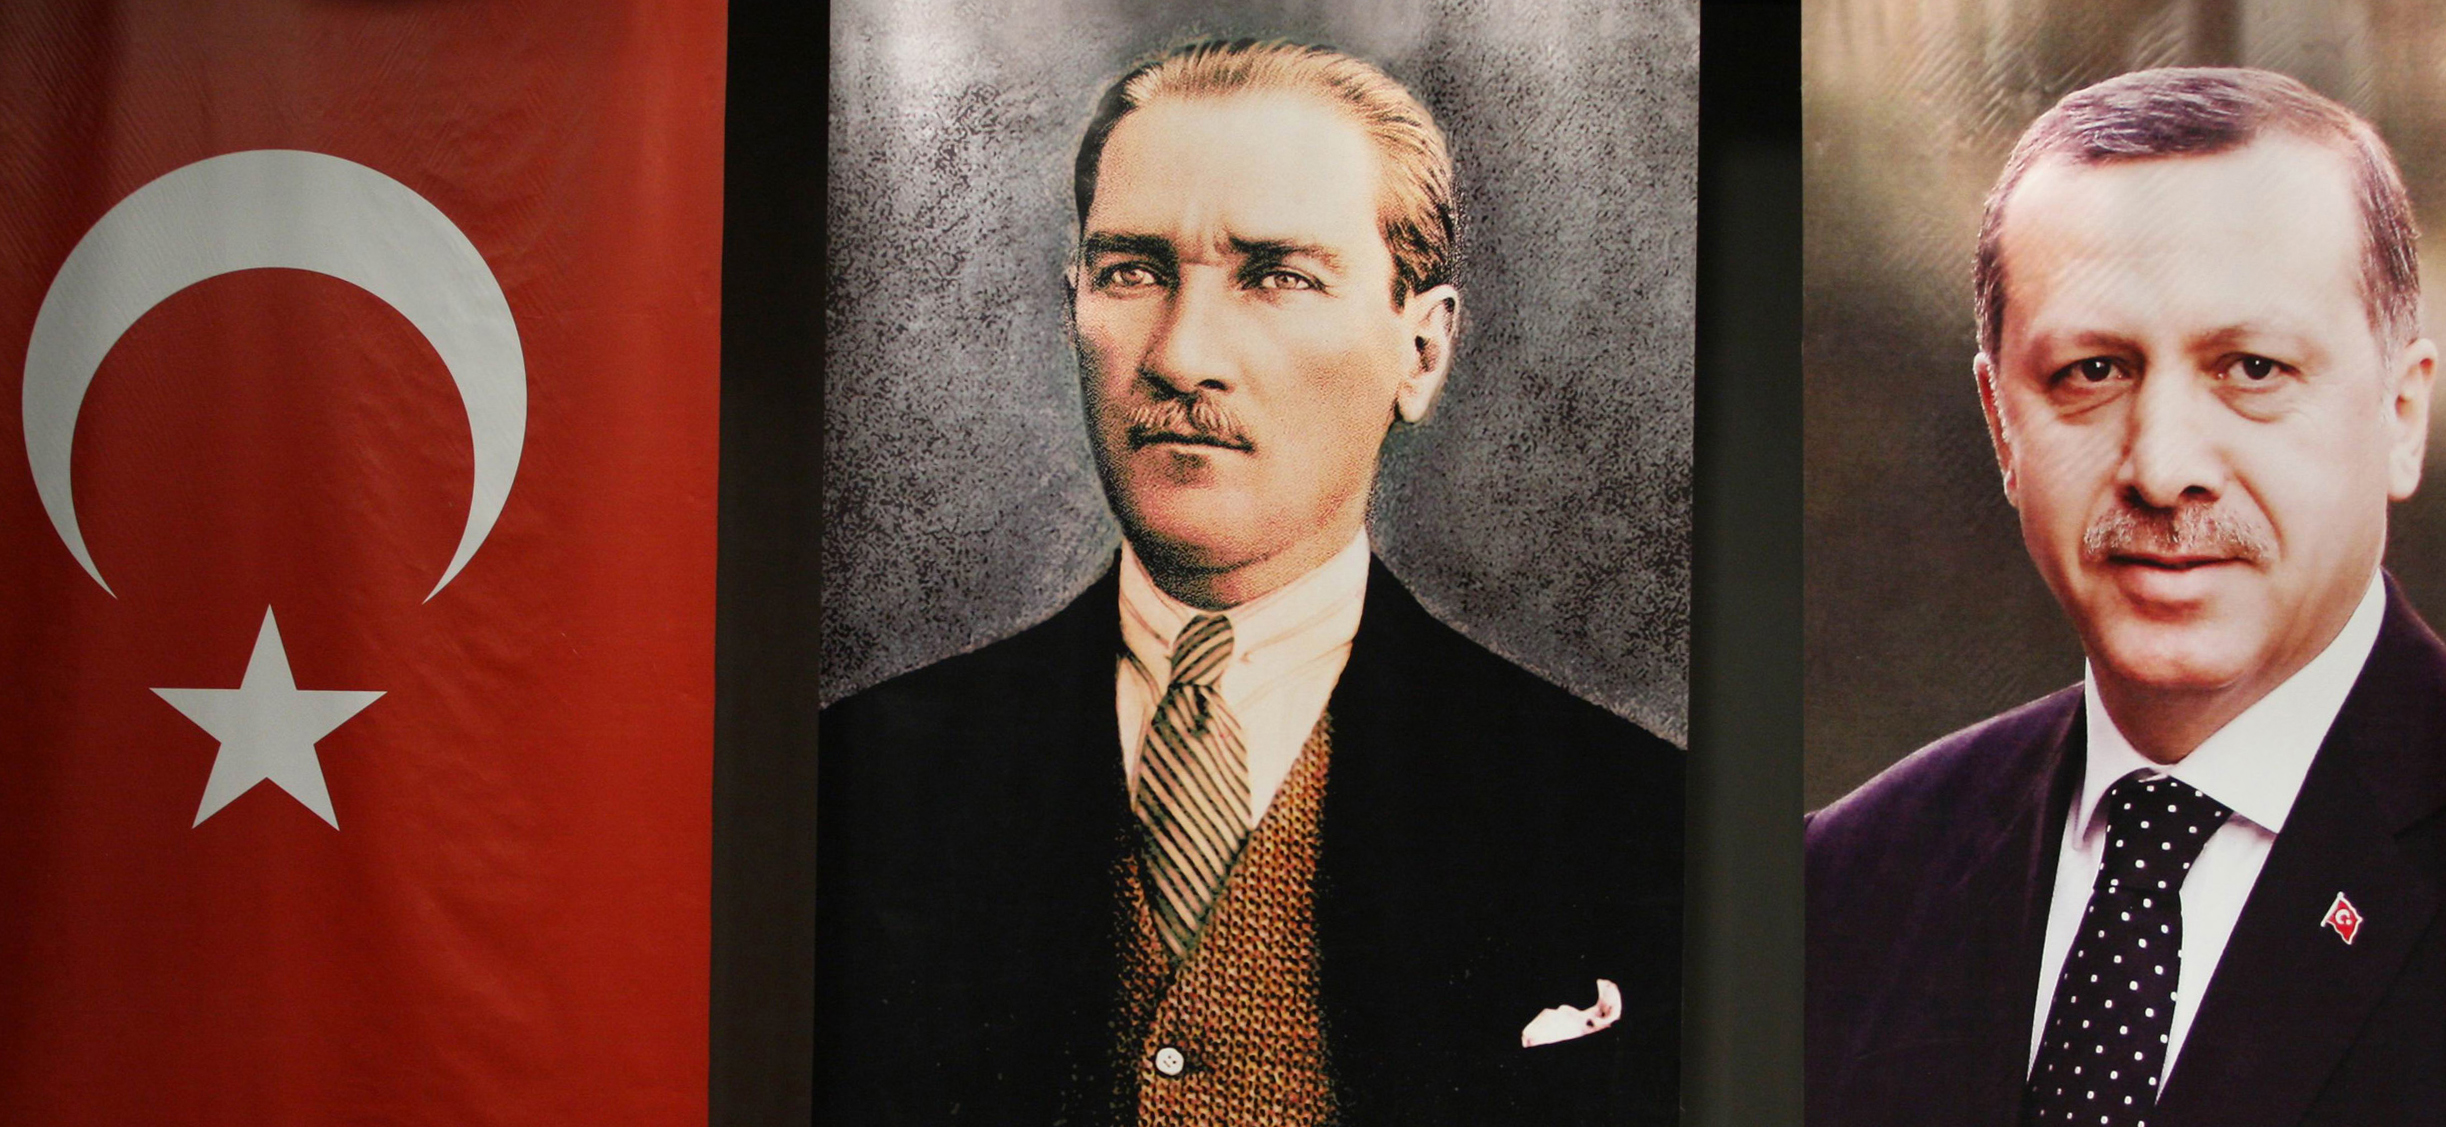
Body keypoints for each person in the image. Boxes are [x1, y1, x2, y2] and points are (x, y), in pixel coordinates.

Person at [816, 38, 1682, 1126]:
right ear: (1070, 304)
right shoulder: (856, 778)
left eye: (1279, 276)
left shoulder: (1629, 811)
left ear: (1421, 352)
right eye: (1132, 272)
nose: (1182, 355)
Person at [1807, 67, 2446, 1126]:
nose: (2162, 466)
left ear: (2401, 414)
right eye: (2092, 371)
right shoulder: (1839, 888)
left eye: (2251, 367)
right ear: (2000, 425)